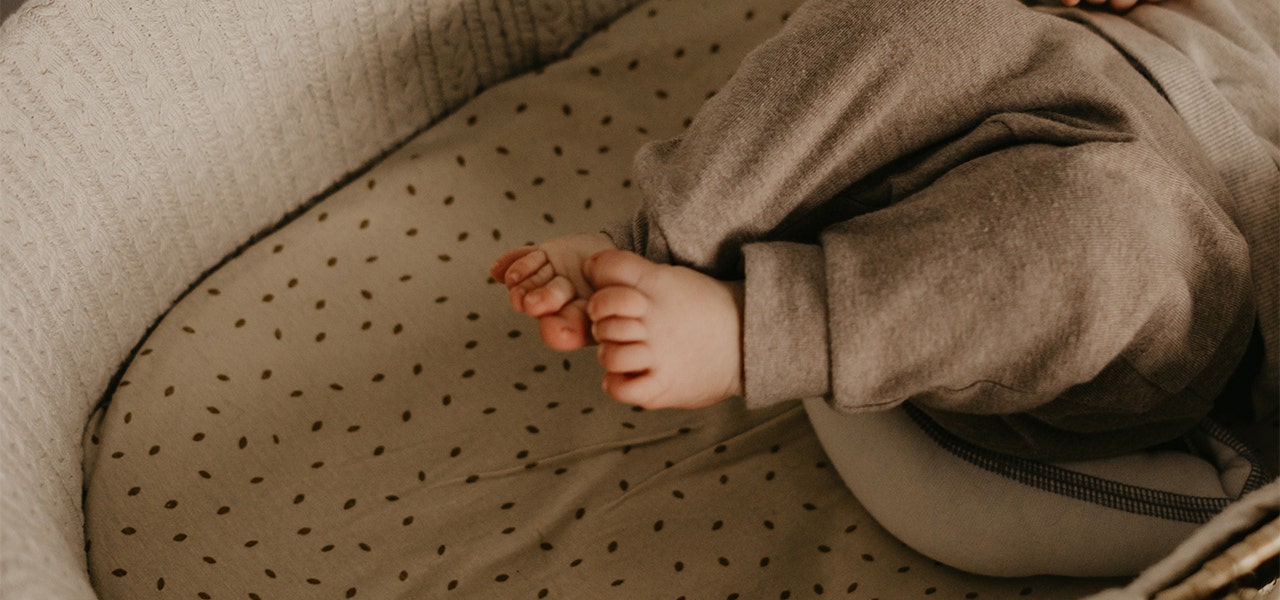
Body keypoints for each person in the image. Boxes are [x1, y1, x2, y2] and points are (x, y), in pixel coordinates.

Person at [491, 0, 1278, 462]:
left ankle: (753, 330)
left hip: (1200, 260)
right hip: (1065, 54)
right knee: (922, 18)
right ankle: (658, 237)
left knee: (1103, 241)